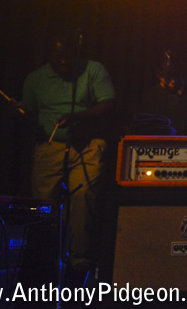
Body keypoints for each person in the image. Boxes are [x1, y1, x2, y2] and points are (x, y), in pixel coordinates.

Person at [12, 29, 116, 276]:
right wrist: (20, 113)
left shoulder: (93, 70)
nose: (63, 63)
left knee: (83, 200)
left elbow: (108, 103)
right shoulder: (36, 79)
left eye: (68, 58)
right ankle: (45, 255)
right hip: (51, 146)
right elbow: (31, 115)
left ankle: (80, 260)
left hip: (88, 144)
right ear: (50, 56)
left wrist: (78, 117)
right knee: (45, 201)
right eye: (58, 58)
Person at [134, 50, 187, 136]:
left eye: (176, 76)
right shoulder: (149, 98)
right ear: (159, 75)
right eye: (168, 77)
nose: (173, 81)